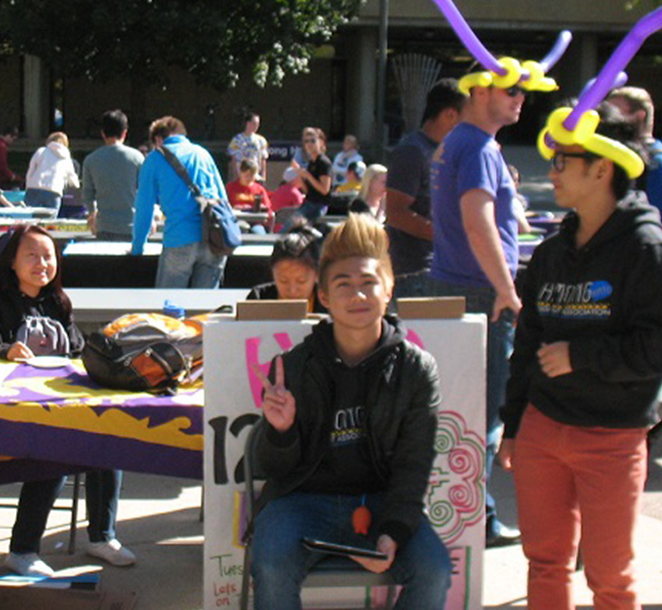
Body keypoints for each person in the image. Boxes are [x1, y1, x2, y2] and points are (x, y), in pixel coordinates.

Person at [499, 102, 662, 610]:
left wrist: (583, 356)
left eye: (563, 162)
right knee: (544, 563)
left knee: (609, 579)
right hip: (542, 428)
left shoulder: (648, 250)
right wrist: (514, 423)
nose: (552, 172)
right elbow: (527, 345)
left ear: (601, 168)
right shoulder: (550, 252)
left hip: (612, 435)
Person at [248, 213, 452, 610]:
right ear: (323, 296)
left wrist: (392, 532)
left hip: (380, 500)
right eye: (343, 285)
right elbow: (273, 469)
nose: (357, 296)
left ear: (389, 289)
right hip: (302, 500)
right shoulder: (293, 366)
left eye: (368, 283)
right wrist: (282, 430)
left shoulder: (415, 368)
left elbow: (414, 465)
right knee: (270, 564)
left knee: (434, 570)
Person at [0, 226, 134, 576]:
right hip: (6, 412)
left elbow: (79, 351)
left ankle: (101, 536)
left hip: (57, 403)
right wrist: (5, 352)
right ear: (11, 262)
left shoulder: (57, 302)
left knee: (109, 438)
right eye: (32, 255)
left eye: (48, 256)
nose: (42, 263)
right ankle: (22, 550)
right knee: (58, 447)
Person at [427, 70, 528, 548]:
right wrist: (507, 289)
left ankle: (463, 513)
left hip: (454, 285)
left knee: (458, 409)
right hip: (482, 293)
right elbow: (477, 221)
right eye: (512, 89)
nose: (521, 98)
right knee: (483, 414)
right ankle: (479, 519)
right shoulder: (479, 148)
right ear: (480, 91)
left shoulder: (458, 143)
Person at [386, 78, 465, 295]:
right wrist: (448, 236)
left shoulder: (451, 150)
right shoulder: (412, 151)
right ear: (450, 114)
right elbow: (395, 212)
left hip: (444, 267)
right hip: (415, 272)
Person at [132, 116, 230, 288]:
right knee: (204, 309)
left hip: (180, 238)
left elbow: (144, 208)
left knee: (169, 306)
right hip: (215, 239)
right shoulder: (203, 154)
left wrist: (138, 248)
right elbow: (224, 199)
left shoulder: (154, 159)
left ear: (158, 139)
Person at [607, 87, 662, 243]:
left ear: (639, 116)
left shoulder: (660, 164)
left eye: (615, 113)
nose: (609, 120)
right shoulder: (619, 158)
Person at [82, 109, 144, 242]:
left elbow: (87, 194)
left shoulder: (91, 160)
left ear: (103, 133)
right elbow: (145, 192)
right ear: (124, 133)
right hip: (132, 225)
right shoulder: (137, 158)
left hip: (104, 226)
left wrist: (92, 213)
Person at [245, 223, 326, 314]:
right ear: (273, 272)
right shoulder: (259, 299)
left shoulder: (329, 303)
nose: (292, 291)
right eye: (283, 281)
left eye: (301, 281)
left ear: (317, 274)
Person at [25, 132, 80, 209]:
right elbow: (72, 179)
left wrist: (28, 186)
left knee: (30, 218)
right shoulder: (66, 158)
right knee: (50, 220)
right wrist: (77, 185)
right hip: (54, 191)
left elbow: (31, 171)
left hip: (34, 189)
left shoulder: (41, 151)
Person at [293, 127, 334, 223]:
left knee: (290, 227)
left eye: (313, 141)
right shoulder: (311, 162)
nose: (309, 144)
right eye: (306, 141)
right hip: (308, 203)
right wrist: (300, 175)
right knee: (288, 228)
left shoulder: (324, 163)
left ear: (321, 143)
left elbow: (324, 190)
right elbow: (308, 191)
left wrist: (307, 176)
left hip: (318, 206)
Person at [228, 111, 269, 182]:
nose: (256, 126)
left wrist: (263, 177)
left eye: (258, 124)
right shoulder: (237, 140)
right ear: (248, 123)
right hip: (241, 176)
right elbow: (234, 159)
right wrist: (235, 176)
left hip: (256, 177)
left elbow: (263, 159)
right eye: (254, 123)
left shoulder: (261, 140)